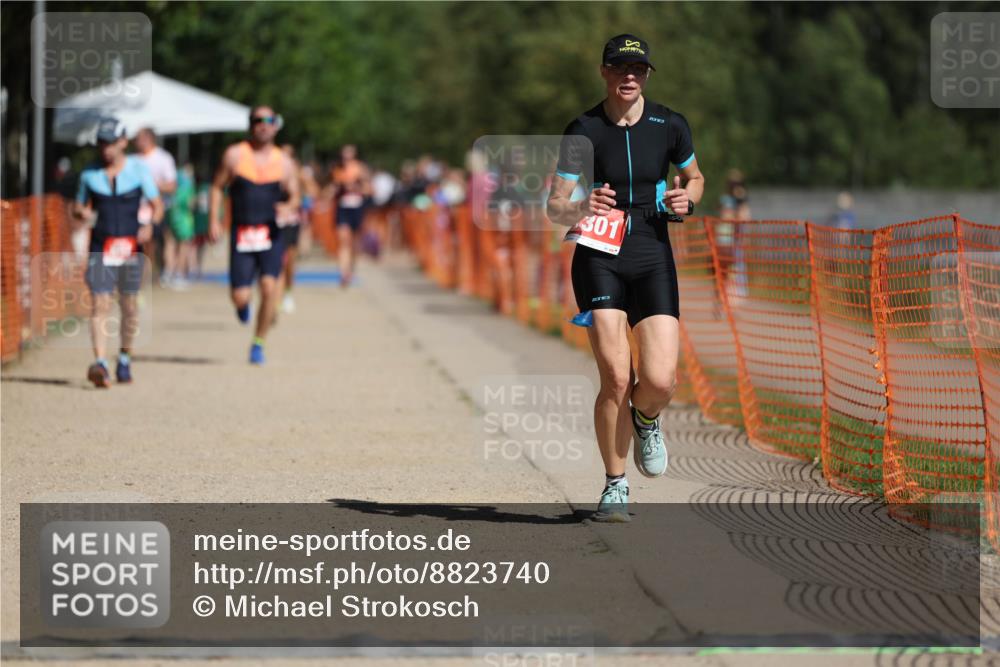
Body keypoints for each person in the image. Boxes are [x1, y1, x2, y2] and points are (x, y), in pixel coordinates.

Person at [546, 34, 705, 522]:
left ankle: (647, 417)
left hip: (652, 250)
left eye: (637, 69)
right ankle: (615, 486)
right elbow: (555, 205)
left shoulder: (669, 124)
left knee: (659, 380)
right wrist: (579, 204)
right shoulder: (585, 129)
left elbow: (695, 177)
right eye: (619, 68)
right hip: (599, 252)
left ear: (648, 75)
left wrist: (688, 199)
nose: (628, 76)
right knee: (616, 375)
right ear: (604, 73)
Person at [73, 117, 162, 387]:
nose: (106, 149)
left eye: (111, 142)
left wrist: (149, 225)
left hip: (131, 248)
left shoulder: (138, 169)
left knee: (129, 306)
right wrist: (82, 212)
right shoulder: (89, 174)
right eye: (101, 143)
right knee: (100, 303)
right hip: (101, 247)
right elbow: (78, 207)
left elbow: (157, 206)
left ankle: (124, 357)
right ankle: (100, 362)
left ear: (123, 142)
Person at [209, 105, 299, 365]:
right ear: (250, 125)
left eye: (269, 120)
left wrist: (288, 205)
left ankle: (258, 343)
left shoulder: (284, 161)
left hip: (270, 233)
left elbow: (295, 196)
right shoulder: (235, 155)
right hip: (242, 233)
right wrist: (214, 220)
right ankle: (241, 306)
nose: (263, 124)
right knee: (241, 295)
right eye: (258, 120)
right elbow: (217, 187)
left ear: (275, 125)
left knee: (270, 288)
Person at [133, 128, 177, 285]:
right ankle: (141, 276)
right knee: (139, 243)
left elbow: (172, 186)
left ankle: (157, 273)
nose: (136, 141)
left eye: (139, 138)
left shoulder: (163, 158)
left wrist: (151, 186)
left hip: (157, 209)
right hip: (134, 209)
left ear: (149, 138)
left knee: (155, 242)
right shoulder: (132, 160)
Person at [330, 144, 370, 287]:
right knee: (343, 241)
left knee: (353, 243)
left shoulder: (360, 168)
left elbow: (368, 189)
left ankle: (351, 269)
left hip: (357, 207)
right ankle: (343, 273)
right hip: (342, 208)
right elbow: (332, 189)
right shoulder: (337, 169)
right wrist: (338, 187)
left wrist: (356, 186)